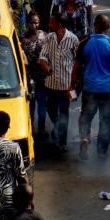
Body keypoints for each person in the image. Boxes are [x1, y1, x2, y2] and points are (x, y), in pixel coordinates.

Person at [72, 13, 110, 160]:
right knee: (105, 121)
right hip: (107, 90)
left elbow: (76, 68)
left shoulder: (84, 44)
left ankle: (85, 138)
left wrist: (71, 87)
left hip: (89, 89)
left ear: (94, 26)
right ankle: (101, 152)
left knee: (85, 117)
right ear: (108, 28)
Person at [38, 11, 78, 154]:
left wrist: (74, 87)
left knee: (64, 113)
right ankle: (57, 127)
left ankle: (62, 142)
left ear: (59, 24)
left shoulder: (73, 39)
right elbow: (43, 56)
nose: (49, 24)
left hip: (66, 86)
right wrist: (45, 66)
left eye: (52, 22)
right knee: (51, 110)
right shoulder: (49, 38)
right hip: (51, 84)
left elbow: (77, 63)